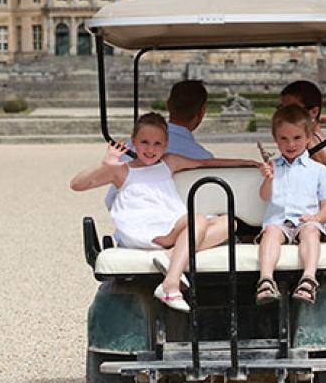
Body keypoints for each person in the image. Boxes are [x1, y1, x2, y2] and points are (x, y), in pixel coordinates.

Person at [71, 112, 264, 312]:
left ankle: (171, 254)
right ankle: (171, 284)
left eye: (157, 144)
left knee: (229, 223)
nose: (151, 149)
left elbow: (206, 163)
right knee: (197, 220)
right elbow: (77, 185)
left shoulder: (169, 162)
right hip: (143, 229)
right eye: (144, 142)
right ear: (134, 141)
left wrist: (248, 162)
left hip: (171, 223)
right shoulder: (121, 170)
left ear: (165, 144)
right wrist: (105, 165)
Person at [255, 104, 326, 307]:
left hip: (306, 221)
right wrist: (268, 179)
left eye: (297, 138)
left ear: (308, 138)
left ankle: (309, 278)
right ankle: (266, 279)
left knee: (311, 231)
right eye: (284, 139)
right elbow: (265, 196)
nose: (290, 144)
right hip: (280, 222)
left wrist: (316, 218)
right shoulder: (273, 167)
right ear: (276, 139)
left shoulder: (319, 170)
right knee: (271, 232)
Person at [103, 79, 213, 220]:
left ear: (168, 104)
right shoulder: (204, 157)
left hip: (137, 227)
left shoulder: (133, 147)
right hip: (189, 230)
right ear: (202, 112)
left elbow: (111, 201)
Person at [278, 80, 326, 186]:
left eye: (293, 110)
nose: (284, 115)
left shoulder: (310, 142)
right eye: (282, 109)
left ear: (313, 112)